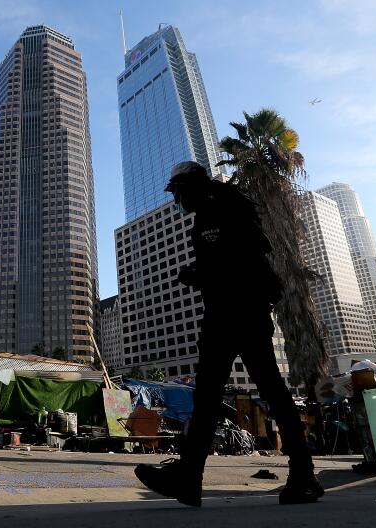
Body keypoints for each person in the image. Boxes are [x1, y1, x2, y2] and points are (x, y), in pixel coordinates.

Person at [134, 161, 324, 506]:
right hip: (223, 313)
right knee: (207, 397)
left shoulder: (223, 208)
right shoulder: (208, 213)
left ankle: (304, 475)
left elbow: (246, 259)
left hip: (242, 313)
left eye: (178, 193)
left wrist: (203, 274)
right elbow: (226, 261)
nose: (178, 201)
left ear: (190, 187)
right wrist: (203, 272)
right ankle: (189, 479)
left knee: (270, 392)